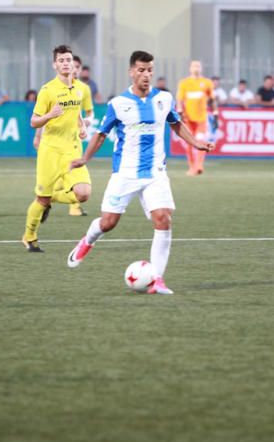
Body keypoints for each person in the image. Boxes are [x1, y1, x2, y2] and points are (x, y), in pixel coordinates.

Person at [65, 50, 214, 295]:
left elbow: (175, 123)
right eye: (141, 70)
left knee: (163, 218)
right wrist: (85, 158)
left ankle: (157, 279)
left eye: (149, 71)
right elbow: (101, 135)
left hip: (156, 172)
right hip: (125, 173)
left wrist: (196, 143)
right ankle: (87, 241)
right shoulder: (118, 104)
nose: (146, 75)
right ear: (131, 71)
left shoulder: (164, 99)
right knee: (108, 222)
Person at [21, 45, 93, 252]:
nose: (65, 63)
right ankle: (29, 236)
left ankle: (52, 197)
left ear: (73, 64)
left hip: (72, 150)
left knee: (84, 193)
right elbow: (34, 121)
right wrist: (49, 116)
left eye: (68, 60)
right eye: (61, 60)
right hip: (50, 151)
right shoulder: (47, 90)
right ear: (55, 65)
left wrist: (81, 127)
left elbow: (77, 110)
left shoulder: (79, 88)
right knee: (40, 198)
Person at [176, 60, 215, 176]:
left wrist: (216, 112)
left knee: (201, 141)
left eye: (198, 66)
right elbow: (179, 99)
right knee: (189, 143)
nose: (196, 68)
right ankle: (192, 166)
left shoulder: (207, 83)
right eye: (194, 66)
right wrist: (179, 111)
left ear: (201, 68)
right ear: (190, 68)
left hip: (201, 119)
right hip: (188, 119)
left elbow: (212, 99)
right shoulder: (184, 83)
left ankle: (199, 166)